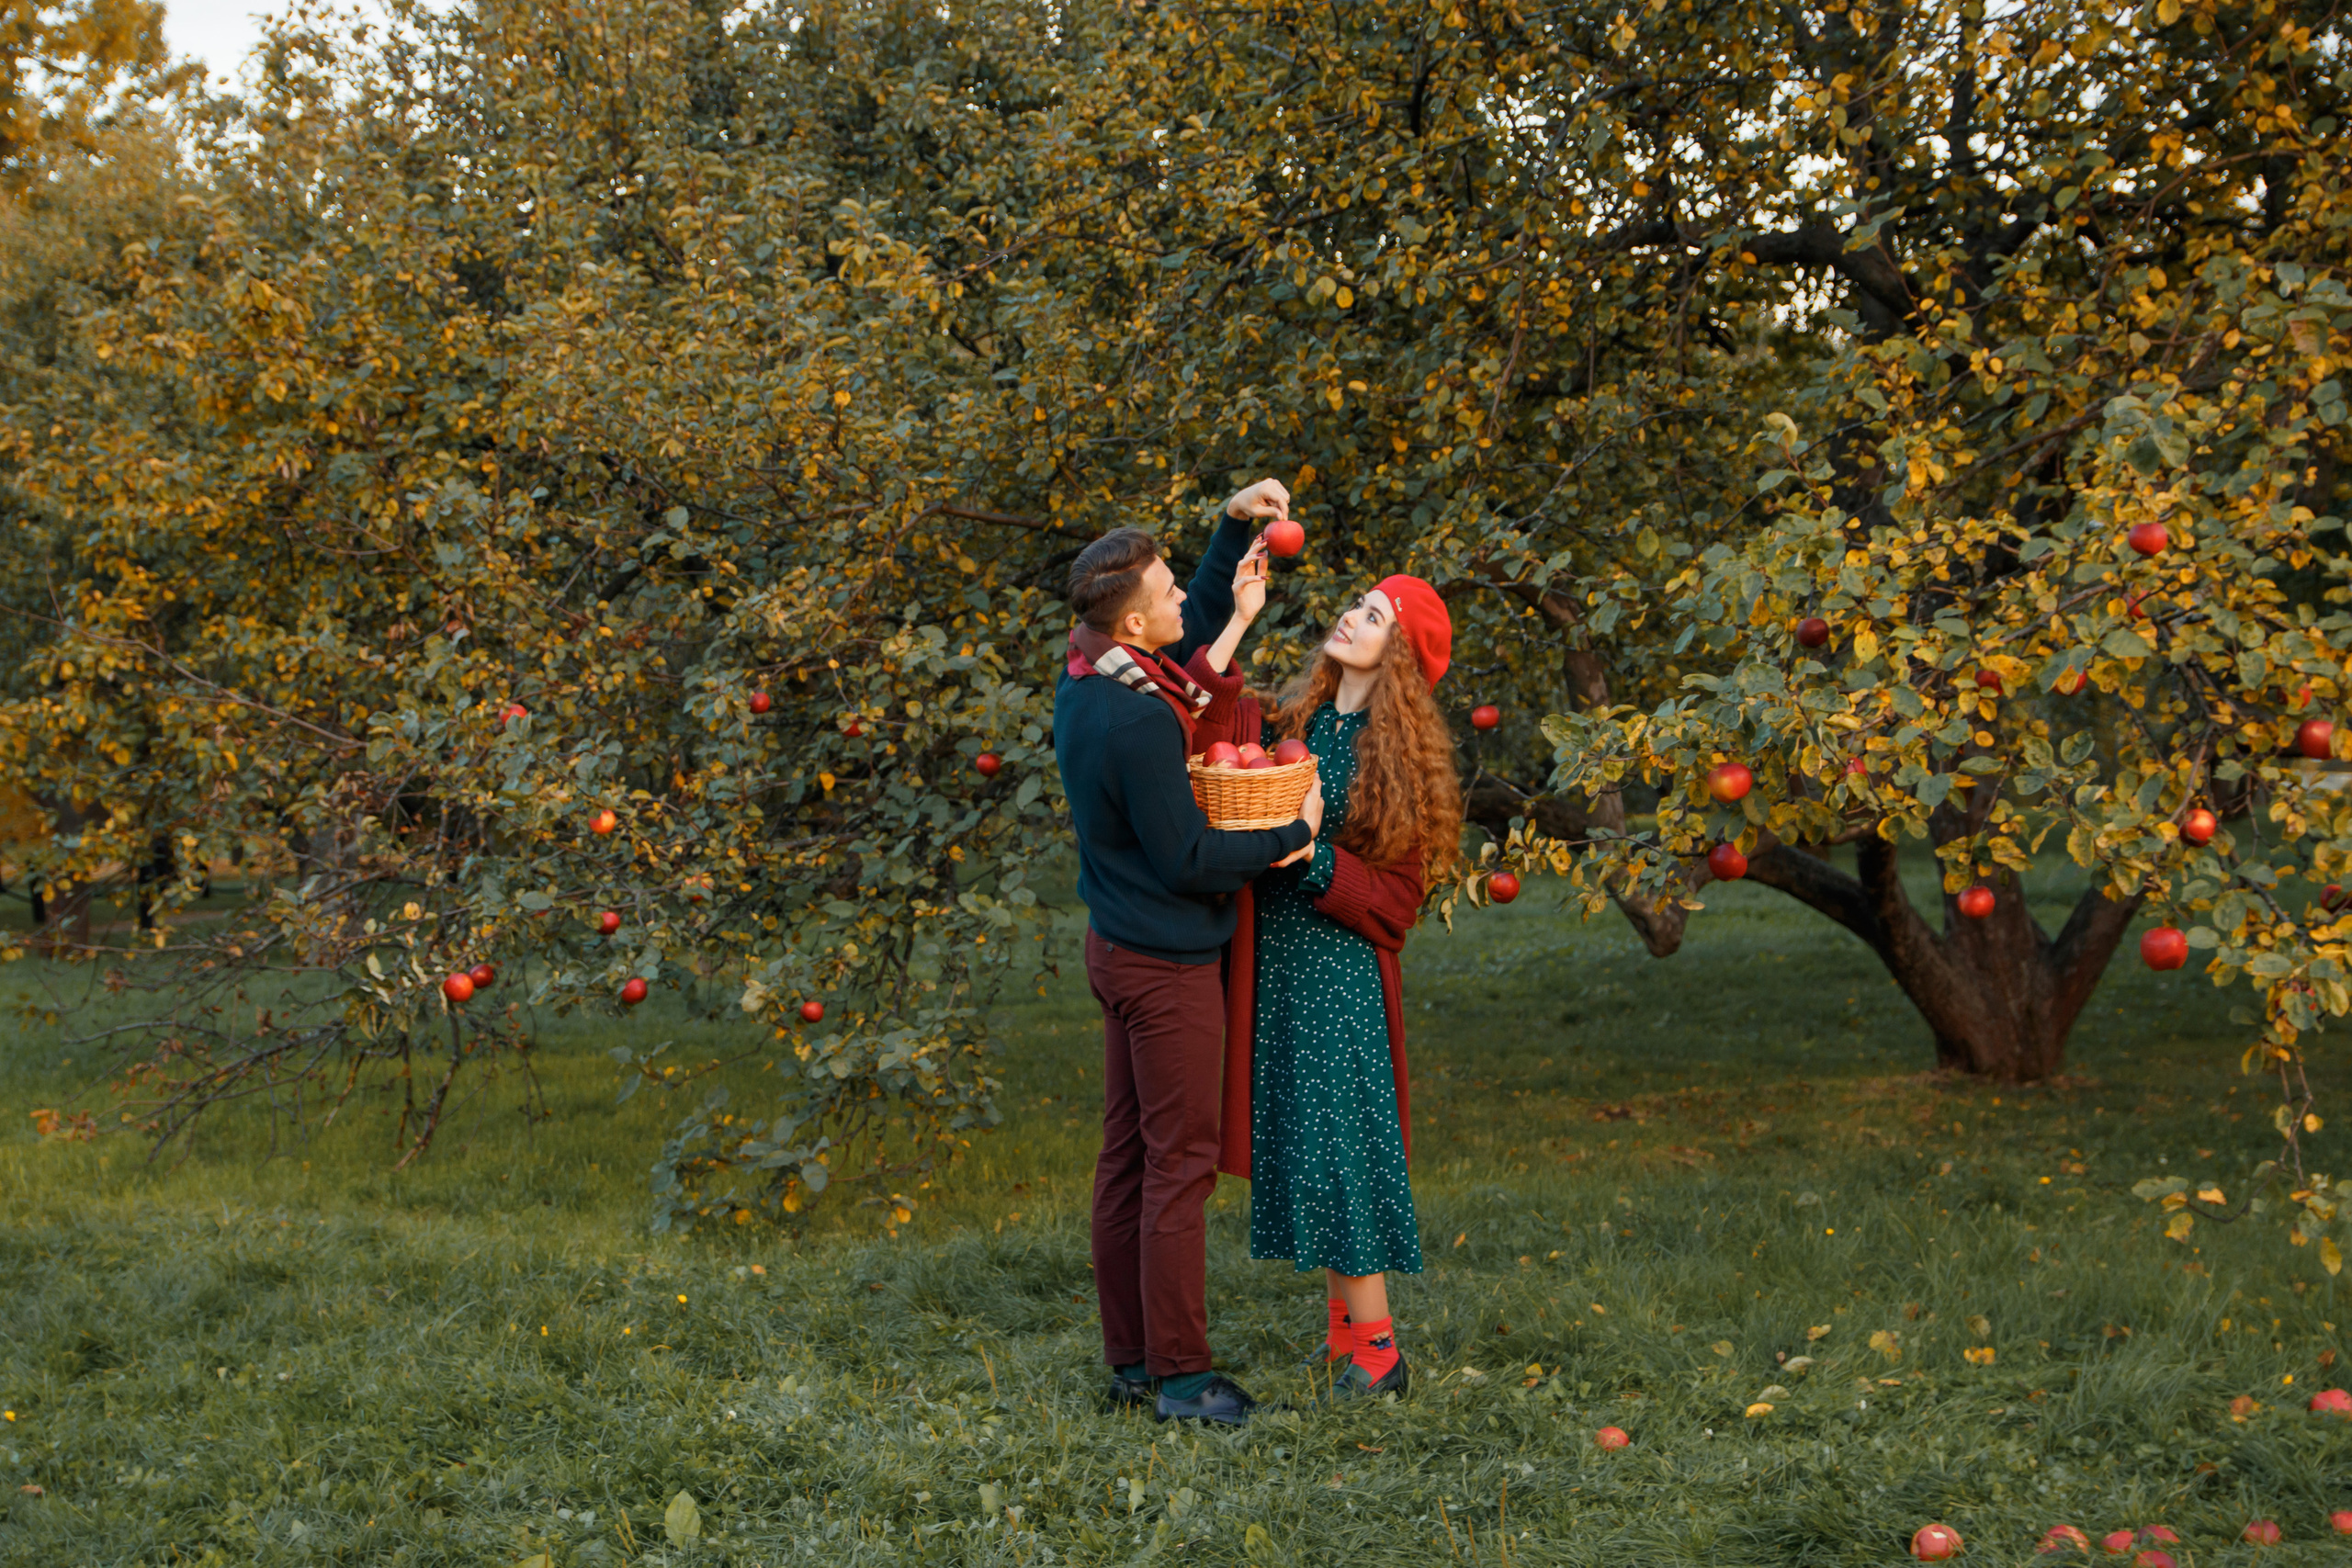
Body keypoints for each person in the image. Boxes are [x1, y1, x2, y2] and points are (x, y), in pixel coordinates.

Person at [1054, 479, 1323, 1427]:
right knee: (1179, 1166)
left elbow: (1199, 617)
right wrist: (1285, 836)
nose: (1183, 600)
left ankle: (1131, 1362)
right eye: (1165, 593)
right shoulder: (1132, 718)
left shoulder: (1097, 670)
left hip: (1118, 946)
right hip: (1164, 965)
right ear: (1134, 623)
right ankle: (1178, 1376)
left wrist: (1233, 525)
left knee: (1127, 1160)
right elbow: (1193, 860)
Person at [1191, 572, 1462, 1402]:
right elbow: (1203, 716)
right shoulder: (1295, 720)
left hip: (1337, 975)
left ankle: (1379, 1357)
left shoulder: (1396, 756)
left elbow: (1400, 903)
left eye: (1375, 616)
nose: (1352, 618)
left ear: (1402, 655)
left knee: (1342, 1156)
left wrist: (1315, 860)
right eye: (1358, 604)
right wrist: (1237, 619)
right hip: (1279, 968)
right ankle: (1346, 1342)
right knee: (1310, 1153)